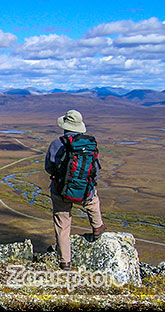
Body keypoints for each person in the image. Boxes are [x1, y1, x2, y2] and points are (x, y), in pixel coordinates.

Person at [45, 110, 105, 270]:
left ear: (64, 126)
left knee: (62, 224)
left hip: (60, 191)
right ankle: (98, 227)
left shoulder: (56, 143)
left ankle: (65, 262)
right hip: (85, 190)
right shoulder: (89, 144)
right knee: (93, 201)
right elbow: (95, 170)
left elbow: (48, 167)